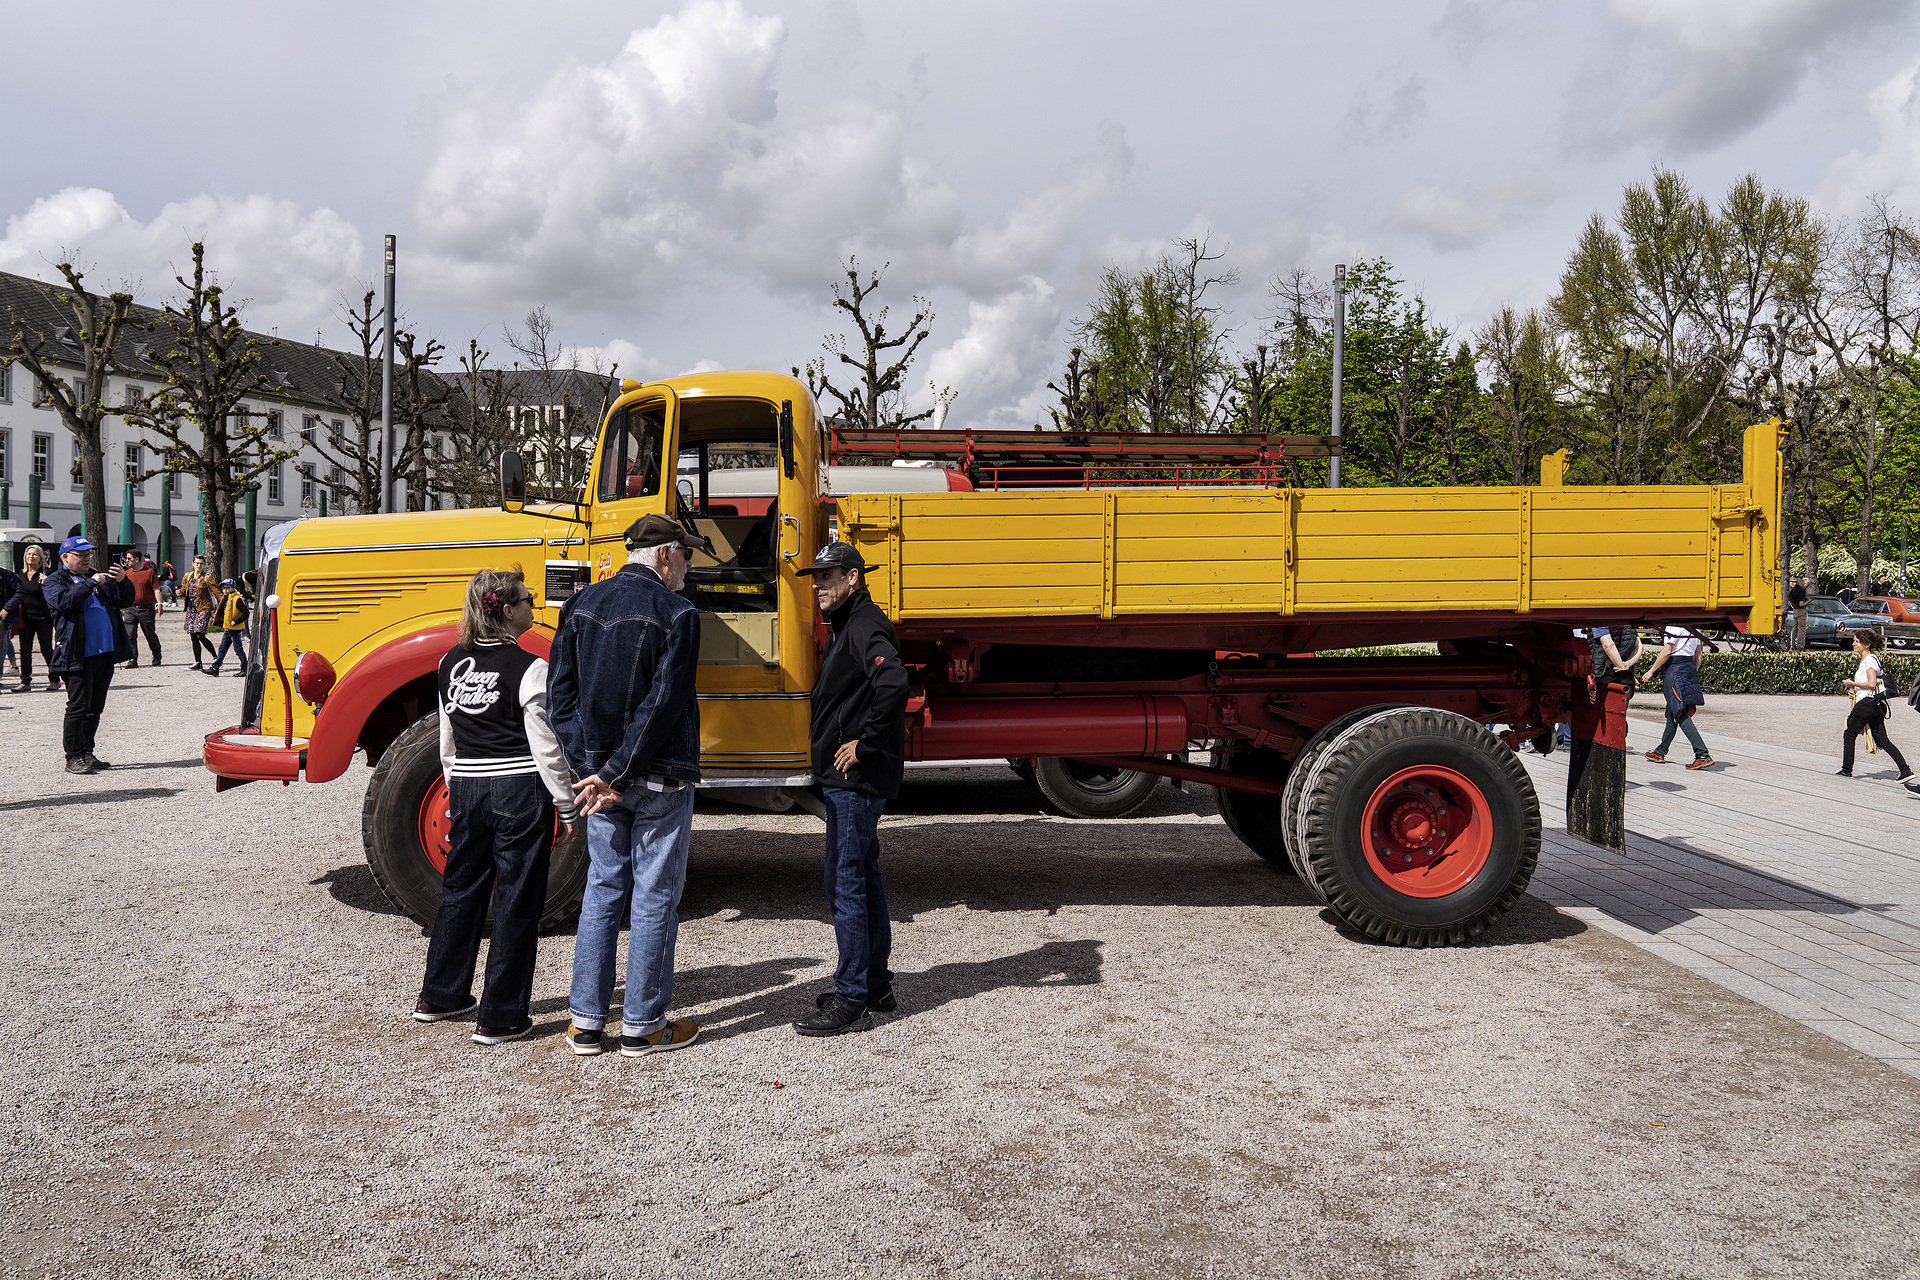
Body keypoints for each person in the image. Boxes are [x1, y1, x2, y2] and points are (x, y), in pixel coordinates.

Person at [549, 513, 711, 1058]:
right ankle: (643, 1025)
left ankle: (585, 1024)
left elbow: (560, 700)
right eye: (685, 555)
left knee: (602, 891)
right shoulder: (679, 612)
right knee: (653, 897)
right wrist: (618, 772)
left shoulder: (577, 607)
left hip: (599, 778)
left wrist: (593, 771)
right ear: (664, 555)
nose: (688, 566)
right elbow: (661, 705)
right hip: (655, 778)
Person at [415, 569, 579, 1045]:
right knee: (516, 900)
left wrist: (456, 783)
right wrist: (565, 806)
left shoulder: (450, 661)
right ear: (507, 610)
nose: (534, 606)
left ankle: (441, 995)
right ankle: (500, 1015)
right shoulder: (530, 667)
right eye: (528, 599)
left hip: (467, 785)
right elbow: (545, 747)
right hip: (519, 789)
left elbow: (447, 736)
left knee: (461, 888)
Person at [791, 541, 910, 1038]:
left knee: (846, 883)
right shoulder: (850, 626)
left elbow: (895, 683)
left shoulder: (864, 626)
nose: (817, 585)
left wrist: (865, 744)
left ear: (853, 578)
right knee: (862, 876)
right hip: (851, 780)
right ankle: (875, 984)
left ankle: (851, 995)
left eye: (827, 576)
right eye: (815, 577)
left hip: (854, 780)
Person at [45, 535, 133, 774]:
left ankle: (87, 752)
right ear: (65, 557)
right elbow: (64, 602)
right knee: (78, 706)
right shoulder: (55, 581)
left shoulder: (96, 576)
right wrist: (90, 583)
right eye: (80, 555)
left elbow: (127, 600)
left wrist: (124, 581)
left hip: (104, 652)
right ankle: (73, 756)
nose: (86, 559)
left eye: (88, 554)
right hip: (76, 654)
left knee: (95, 707)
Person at [1837, 629, 1911, 781]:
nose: (1853, 644)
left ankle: (1846, 770)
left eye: (1857, 641)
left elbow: (1871, 684)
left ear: (1866, 645)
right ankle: (1905, 771)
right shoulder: (1869, 659)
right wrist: (1855, 691)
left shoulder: (1870, 660)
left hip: (1868, 703)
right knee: (1882, 739)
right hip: (1875, 704)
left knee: (1849, 733)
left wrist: (1851, 683)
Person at [1640, 625, 1713, 769]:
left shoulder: (1673, 627)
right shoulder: (1694, 628)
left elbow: (1667, 651)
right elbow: (1699, 655)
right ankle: (1660, 751)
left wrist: (1650, 671)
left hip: (1674, 671)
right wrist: (1692, 674)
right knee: (1672, 712)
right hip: (1688, 670)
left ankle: (1702, 754)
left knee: (1680, 713)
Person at [13, 545, 58, 692]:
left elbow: (54, 593)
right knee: (24, 649)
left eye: (34, 554)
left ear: (40, 557)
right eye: (28, 554)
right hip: (26, 617)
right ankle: (25, 681)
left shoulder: (47, 574)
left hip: (43, 617)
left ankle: (54, 679)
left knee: (46, 648)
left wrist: (47, 583)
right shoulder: (20, 574)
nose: (31, 557)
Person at [121, 553, 162, 669]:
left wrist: (159, 604)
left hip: (147, 609)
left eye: (129, 559)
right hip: (130, 609)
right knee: (129, 635)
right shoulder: (126, 574)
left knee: (150, 634)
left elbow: (156, 589)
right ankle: (132, 658)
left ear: (137, 559)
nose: (127, 561)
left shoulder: (149, 572)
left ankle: (157, 654)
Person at [205, 578, 249, 677]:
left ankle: (245, 668)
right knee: (222, 648)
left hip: (235, 629)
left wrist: (236, 621)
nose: (224, 590)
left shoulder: (237, 599)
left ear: (233, 588)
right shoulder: (228, 598)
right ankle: (215, 668)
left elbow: (246, 612)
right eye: (223, 588)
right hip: (228, 628)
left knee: (238, 649)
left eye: (227, 588)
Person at [181, 555, 218, 670]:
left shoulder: (207, 577)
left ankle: (216, 657)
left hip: (204, 608)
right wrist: (179, 592)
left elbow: (216, 591)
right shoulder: (187, 576)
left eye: (201, 563)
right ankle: (198, 662)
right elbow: (184, 590)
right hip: (191, 609)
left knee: (199, 635)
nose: (199, 566)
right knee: (193, 636)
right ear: (193, 564)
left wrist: (223, 606)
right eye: (197, 563)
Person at [1788, 578, 1810, 651]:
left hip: (1795, 610)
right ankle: (1800, 646)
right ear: (1804, 583)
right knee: (1802, 629)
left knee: (1794, 629)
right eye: (1807, 585)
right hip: (1801, 611)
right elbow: (1801, 604)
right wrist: (1808, 601)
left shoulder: (1794, 589)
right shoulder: (1802, 591)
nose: (1807, 586)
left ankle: (1793, 645)